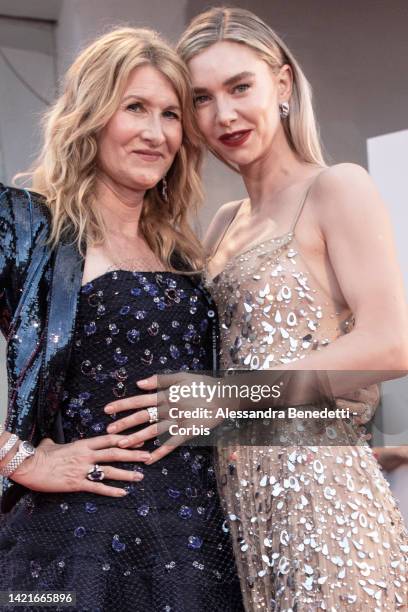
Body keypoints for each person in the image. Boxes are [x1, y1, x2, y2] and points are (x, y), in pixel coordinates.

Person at [103, 7, 408, 611]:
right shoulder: (222, 224)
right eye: (202, 99)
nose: (225, 115)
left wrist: (225, 397)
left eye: (241, 87)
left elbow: (390, 342)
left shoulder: (336, 187)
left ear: (284, 84)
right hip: (241, 510)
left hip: (325, 506)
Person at [0, 27, 244, 612]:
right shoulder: (26, 225)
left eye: (170, 114)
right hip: (71, 549)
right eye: (134, 107)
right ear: (91, 114)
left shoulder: (187, 253)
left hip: (198, 545)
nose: (155, 133)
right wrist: (19, 458)